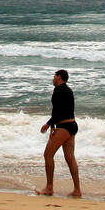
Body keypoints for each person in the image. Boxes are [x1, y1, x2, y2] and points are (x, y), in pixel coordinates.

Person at [36, 69, 81, 198]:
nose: (53, 78)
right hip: (72, 125)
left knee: (48, 155)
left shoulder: (58, 90)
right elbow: (64, 110)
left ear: (59, 77)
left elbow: (57, 111)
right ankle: (77, 190)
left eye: (54, 76)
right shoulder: (68, 90)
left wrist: (48, 124)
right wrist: (54, 127)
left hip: (64, 127)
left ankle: (49, 188)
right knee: (70, 158)